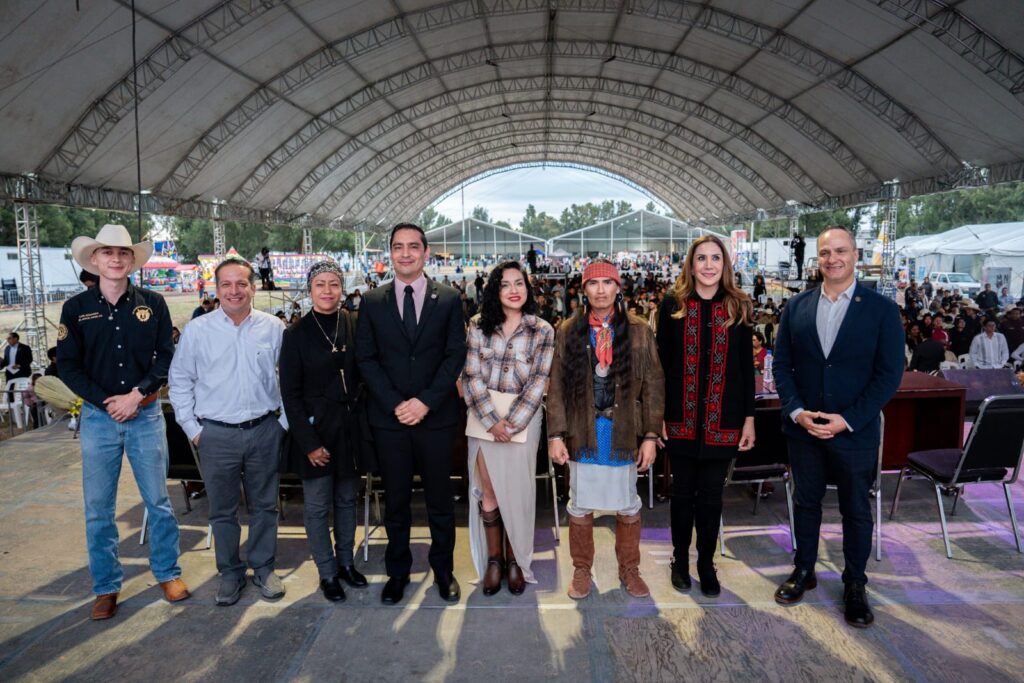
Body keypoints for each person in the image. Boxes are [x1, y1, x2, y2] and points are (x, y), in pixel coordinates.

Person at [772, 226, 904, 629]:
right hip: (805, 429)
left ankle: (854, 585)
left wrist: (848, 419)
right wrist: (797, 411)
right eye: (825, 252)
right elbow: (782, 366)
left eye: (840, 251)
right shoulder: (796, 307)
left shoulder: (881, 310)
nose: (833, 259)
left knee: (856, 510)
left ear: (856, 254)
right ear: (818, 258)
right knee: (805, 503)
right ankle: (804, 570)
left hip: (854, 432)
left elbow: (888, 374)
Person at [57, 223, 188, 620]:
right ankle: (106, 586)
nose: (115, 259)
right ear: (94, 259)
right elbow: (67, 365)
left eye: (123, 253)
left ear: (132, 260)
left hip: (145, 416)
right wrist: (107, 402)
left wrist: (136, 396)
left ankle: (167, 572)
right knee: (98, 508)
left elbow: (165, 356)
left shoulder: (153, 303)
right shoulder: (76, 309)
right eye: (107, 253)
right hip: (99, 420)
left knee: (159, 502)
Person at [355, 223, 467, 606]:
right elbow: (366, 359)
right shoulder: (371, 302)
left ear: (426, 252)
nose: (406, 253)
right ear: (390, 252)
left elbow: (455, 354)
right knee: (396, 501)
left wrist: (426, 402)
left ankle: (444, 571)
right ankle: (397, 573)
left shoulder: (450, 299)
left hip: (435, 418)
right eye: (398, 247)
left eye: (413, 247)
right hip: (390, 420)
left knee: (439, 500)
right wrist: (395, 404)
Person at [168, 255, 288, 607]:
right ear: (215, 289)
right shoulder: (197, 330)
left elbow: (290, 379)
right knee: (222, 510)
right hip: (215, 434)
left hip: (264, 429)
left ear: (253, 287)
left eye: (241, 283)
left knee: (265, 506)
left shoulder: (273, 328)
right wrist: (193, 429)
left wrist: (283, 424)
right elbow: (179, 382)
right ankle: (230, 572)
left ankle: (264, 568)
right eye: (226, 284)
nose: (234, 290)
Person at [547, 259, 664, 600]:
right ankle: (582, 570)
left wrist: (651, 436)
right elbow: (556, 386)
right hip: (583, 431)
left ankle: (629, 569)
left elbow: (654, 385)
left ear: (618, 288)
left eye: (607, 283)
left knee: (627, 504)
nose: (601, 290)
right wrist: (555, 435)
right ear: (583, 290)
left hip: (624, 432)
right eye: (593, 284)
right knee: (580, 504)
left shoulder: (640, 329)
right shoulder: (568, 330)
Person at [657, 236, 755, 597]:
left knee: (712, 497)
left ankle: (705, 563)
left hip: (723, 420)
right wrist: (659, 417)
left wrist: (749, 418)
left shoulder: (738, 305)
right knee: (682, 495)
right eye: (702, 258)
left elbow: (746, 368)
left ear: (725, 264)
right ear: (691, 264)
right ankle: (680, 562)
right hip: (680, 417)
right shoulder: (673, 304)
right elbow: (661, 364)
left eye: (716, 258)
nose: (709, 265)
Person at [279, 261, 369, 603]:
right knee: (317, 506)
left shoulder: (353, 323)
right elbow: (290, 394)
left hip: (349, 430)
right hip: (315, 432)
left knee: (347, 499)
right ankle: (327, 572)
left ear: (342, 288)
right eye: (321, 285)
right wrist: (309, 443)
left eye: (334, 284)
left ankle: (346, 563)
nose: (328, 290)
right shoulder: (296, 334)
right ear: (310, 289)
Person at [463, 261, 554, 596]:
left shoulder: (542, 330)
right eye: (505, 284)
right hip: (483, 417)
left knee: (516, 493)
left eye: (520, 283)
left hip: (524, 420)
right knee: (489, 492)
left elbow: (538, 383)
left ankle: (516, 560)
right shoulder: (477, 326)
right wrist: (492, 422)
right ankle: (494, 560)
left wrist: (511, 424)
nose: (514, 290)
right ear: (494, 291)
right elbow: (471, 377)